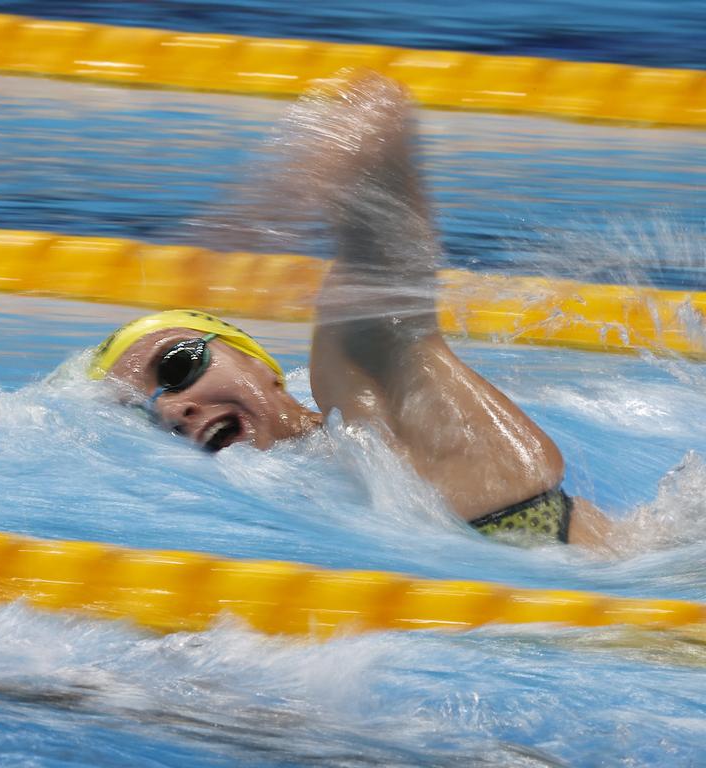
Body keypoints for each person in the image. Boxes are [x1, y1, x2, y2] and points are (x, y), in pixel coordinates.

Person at [87, 72, 613, 549]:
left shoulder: (373, 402)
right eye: (140, 411)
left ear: (256, 362)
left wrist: (271, 199)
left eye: (177, 366)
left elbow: (379, 107)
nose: (169, 411)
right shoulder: (263, 519)